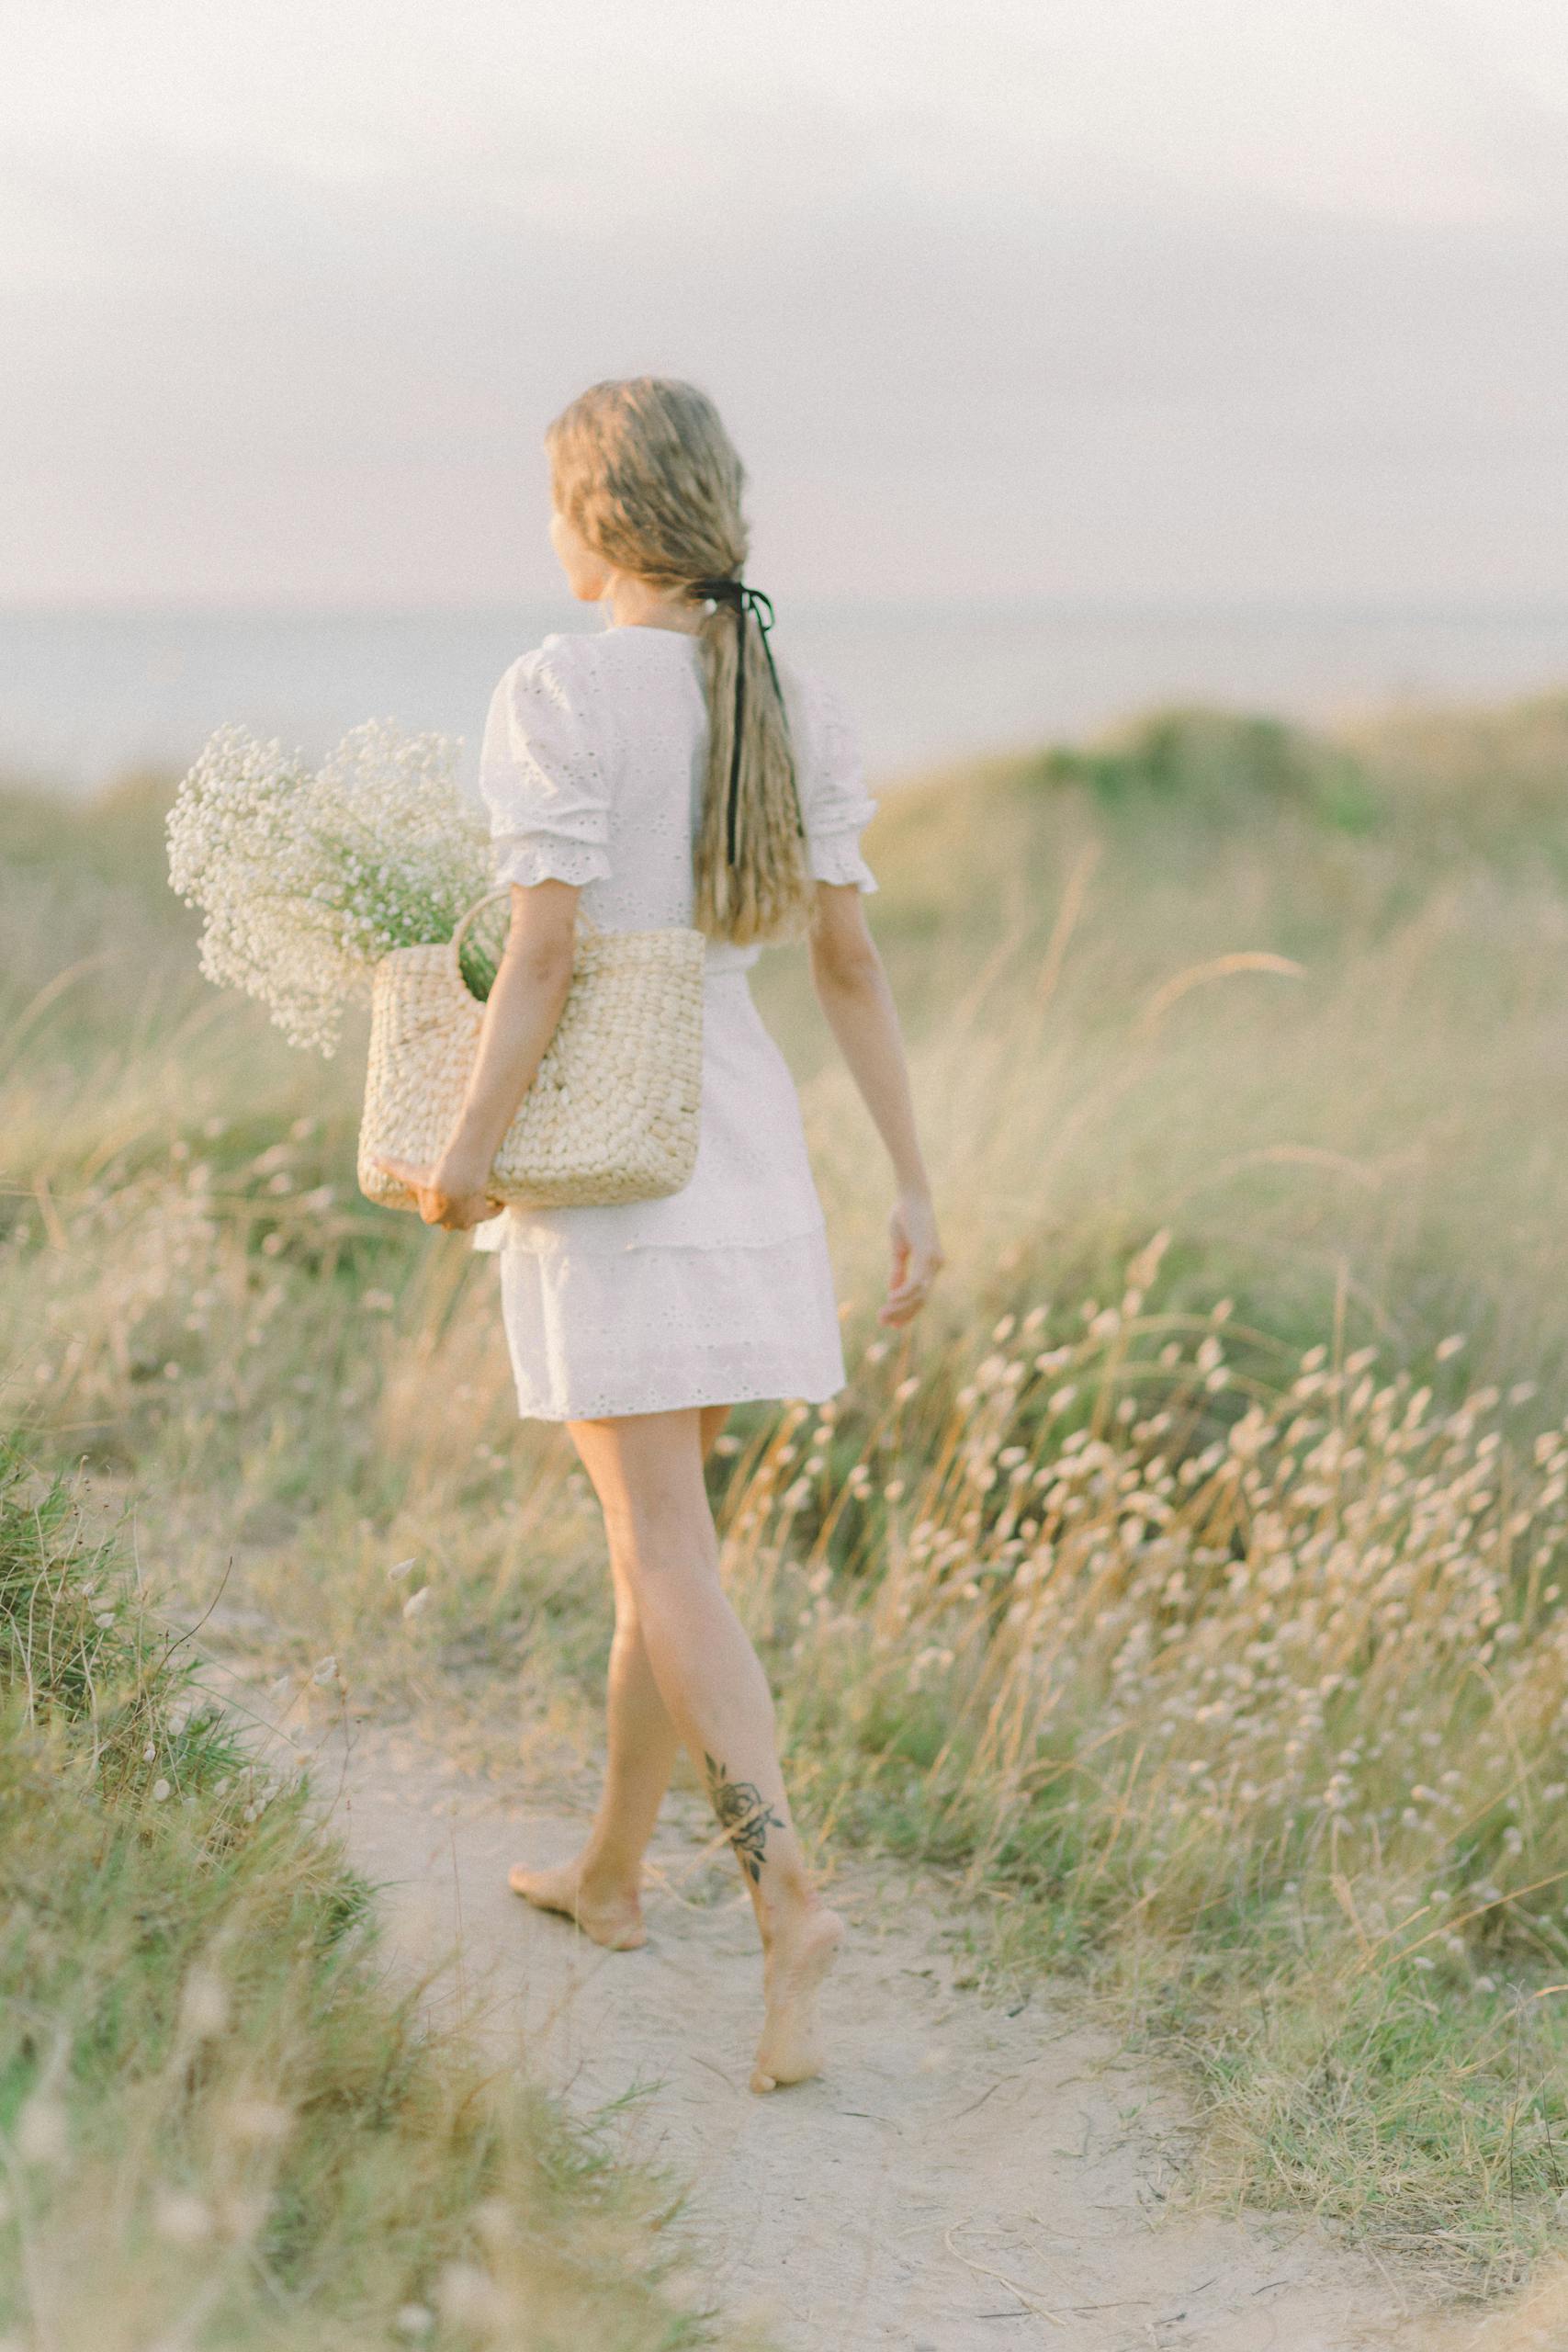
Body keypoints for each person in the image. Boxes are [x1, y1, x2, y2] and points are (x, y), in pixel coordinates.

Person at [378, 376, 942, 2094]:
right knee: (662, 1540)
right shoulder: (787, 695)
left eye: (554, 501)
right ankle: (612, 1878)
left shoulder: (554, 691)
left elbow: (542, 960)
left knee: (664, 1551)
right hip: (749, 1149)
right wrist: (914, 1186)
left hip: (620, 1176)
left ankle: (786, 1895)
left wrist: (464, 1155)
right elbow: (847, 966)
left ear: (597, 516)